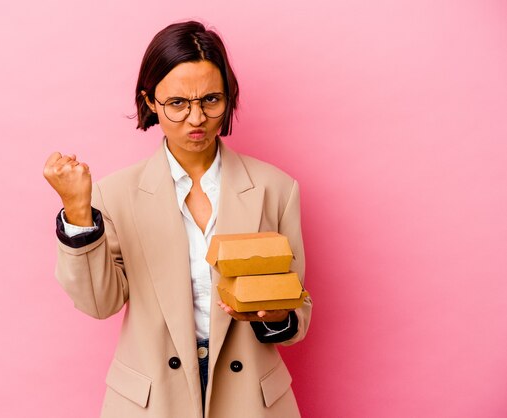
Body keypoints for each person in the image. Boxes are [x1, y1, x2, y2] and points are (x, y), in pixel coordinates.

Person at [43, 20, 312, 418]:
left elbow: (299, 306)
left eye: (211, 100)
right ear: (150, 101)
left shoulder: (276, 188)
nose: (196, 118)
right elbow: (100, 303)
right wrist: (78, 212)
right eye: (177, 103)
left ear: (229, 98)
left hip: (251, 399)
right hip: (152, 400)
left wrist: (276, 316)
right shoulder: (115, 194)